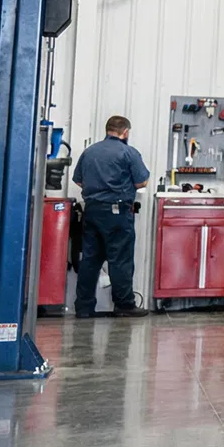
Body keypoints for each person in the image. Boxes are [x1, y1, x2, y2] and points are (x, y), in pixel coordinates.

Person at [70, 115, 152, 318]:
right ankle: (124, 305)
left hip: (92, 211)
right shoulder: (128, 152)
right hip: (117, 212)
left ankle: (84, 307)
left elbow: (78, 180)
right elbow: (142, 182)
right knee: (120, 259)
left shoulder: (90, 152)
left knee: (90, 259)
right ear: (125, 132)